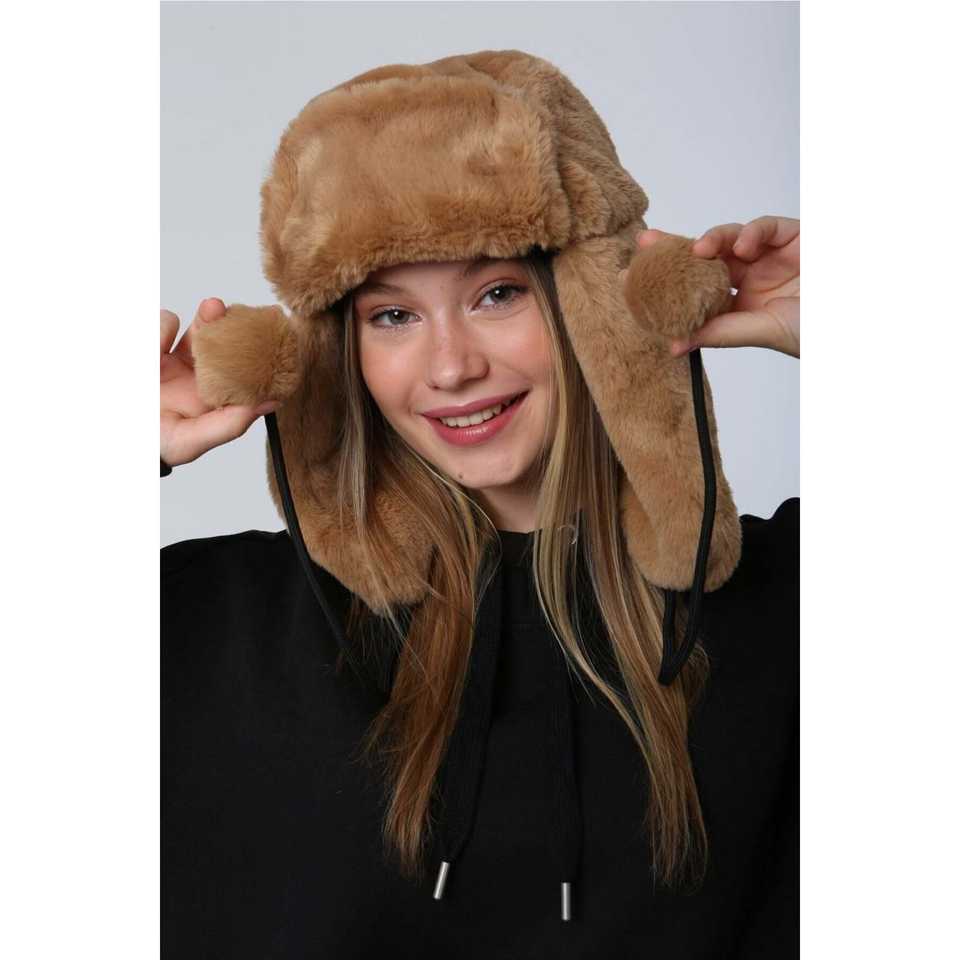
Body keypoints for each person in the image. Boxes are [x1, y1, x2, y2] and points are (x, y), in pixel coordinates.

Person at [161, 50, 798, 958]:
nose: (452, 367)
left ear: (594, 307)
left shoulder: (784, 603)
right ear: (337, 349)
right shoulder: (216, 623)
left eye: (498, 294)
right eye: (392, 316)